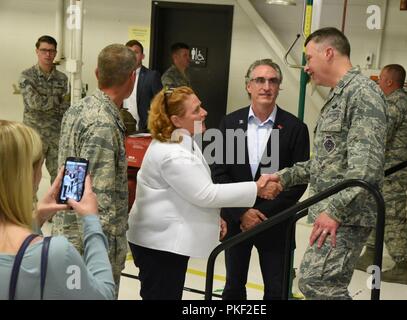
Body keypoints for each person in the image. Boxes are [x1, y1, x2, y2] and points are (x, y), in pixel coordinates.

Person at [126, 86, 281, 300]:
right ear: (176, 120)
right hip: (158, 246)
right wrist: (256, 188)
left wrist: (213, 216)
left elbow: (188, 189)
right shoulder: (172, 153)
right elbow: (205, 193)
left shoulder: (182, 139)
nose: (204, 112)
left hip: (165, 242)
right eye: (196, 110)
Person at [266, 27, 387, 299]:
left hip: (348, 214)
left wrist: (334, 211)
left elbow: (365, 168)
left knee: (317, 283)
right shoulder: (340, 96)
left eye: (309, 58)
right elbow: (325, 162)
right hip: (339, 211)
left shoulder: (362, 95)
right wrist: (283, 177)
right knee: (315, 282)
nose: (306, 67)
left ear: (328, 52)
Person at [210, 59, 310, 300]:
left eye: (273, 81)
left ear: (278, 87)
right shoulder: (230, 123)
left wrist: (261, 215)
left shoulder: (295, 128)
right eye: (260, 80)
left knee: (277, 290)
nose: (266, 86)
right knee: (233, 287)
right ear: (248, 86)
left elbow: (298, 180)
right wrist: (243, 212)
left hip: (276, 223)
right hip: (237, 221)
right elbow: (219, 172)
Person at [52, 44, 136, 297]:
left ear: (98, 73)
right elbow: (98, 198)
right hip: (90, 245)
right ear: (132, 77)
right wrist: (102, 251)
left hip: (69, 234)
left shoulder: (79, 108)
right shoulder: (103, 122)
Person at [0, 120, 115, 300]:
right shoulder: (55, 254)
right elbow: (104, 295)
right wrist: (92, 222)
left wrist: (36, 218)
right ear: (29, 175)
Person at [355, 64, 407, 285]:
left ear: (389, 82)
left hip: (393, 171)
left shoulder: (394, 104)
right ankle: (370, 254)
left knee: (392, 215)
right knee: (375, 209)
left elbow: (379, 135)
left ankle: (401, 266)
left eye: (380, 78)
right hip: (391, 170)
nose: (378, 82)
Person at [19, 35, 69, 183]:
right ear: (37, 51)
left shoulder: (63, 78)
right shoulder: (27, 76)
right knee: (30, 177)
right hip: (35, 134)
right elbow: (34, 103)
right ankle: (28, 206)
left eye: (51, 51)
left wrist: (50, 102)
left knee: (60, 175)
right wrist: (58, 101)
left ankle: (58, 206)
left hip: (57, 135)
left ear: (55, 53)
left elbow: (68, 106)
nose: (48, 54)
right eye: (44, 50)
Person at [124, 39, 163, 132]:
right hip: (123, 128)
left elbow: (161, 104)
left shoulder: (152, 76)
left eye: (136, 52)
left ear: (142, 56)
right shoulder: (120, 76)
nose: (132, 56)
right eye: (129, 53)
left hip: (144, 131)